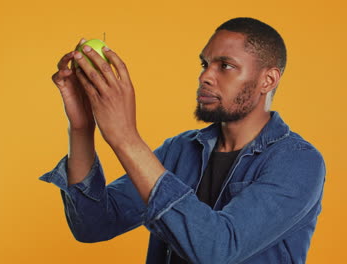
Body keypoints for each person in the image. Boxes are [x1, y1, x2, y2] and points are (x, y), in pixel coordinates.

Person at [40, 17, 326, 264]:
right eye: (205, 64)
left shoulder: (298, 162)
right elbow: (93, 225)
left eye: (225, 66)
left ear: (268, 80)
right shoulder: (180, 150)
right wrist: (81, 128)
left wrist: (126, 138)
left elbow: (216, 249)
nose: (205, 76)